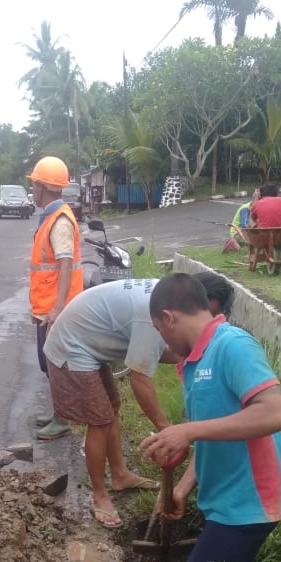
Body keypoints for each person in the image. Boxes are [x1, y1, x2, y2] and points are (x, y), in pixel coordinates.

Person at [140, 273, 281, 562]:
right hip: (226, 501)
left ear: (169, 316)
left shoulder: (231, 346)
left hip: (249, 504)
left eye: (160, 329)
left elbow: (276, 413)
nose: (163, 340)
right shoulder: (193, 363)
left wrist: (188, 430)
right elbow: (212, 435)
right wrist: (181, 488)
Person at [41, 272, 234, 528]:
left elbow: (162, 352)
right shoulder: (156, 315)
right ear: (194, 301)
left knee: (110, 409)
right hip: (71, 347)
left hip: (87, 342)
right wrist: (168, 431)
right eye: (205, 314)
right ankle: (100, 496)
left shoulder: (166, 299)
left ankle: (120, 475)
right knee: (99, 421)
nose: (204, 324)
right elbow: (140, 378)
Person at [26, 156, 84, 441]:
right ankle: (59, 413)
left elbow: (64, 264)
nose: (32, 190)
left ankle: (63, 419)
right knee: (48, 363)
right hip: (48, 306)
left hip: (57, 308)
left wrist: (57, 309)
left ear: (44, 186)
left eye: (34, 184)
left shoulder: (59, 220)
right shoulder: (52, 216)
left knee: (56, 364)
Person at [222, 188, 260, 253]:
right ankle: (234, 242)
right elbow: (244, 225)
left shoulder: (256, 208)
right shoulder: (246, 208)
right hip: (238, 232)